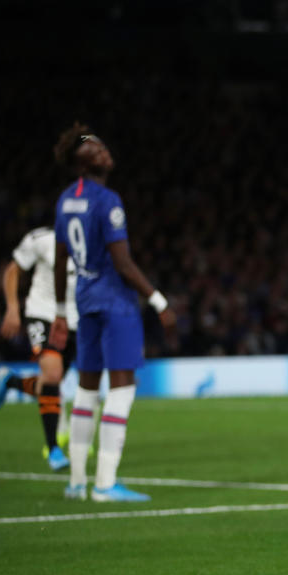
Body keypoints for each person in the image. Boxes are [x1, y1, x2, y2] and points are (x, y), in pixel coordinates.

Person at [48, 124, 176, 501]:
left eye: (102, 145)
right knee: (121, 388)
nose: (103, 150)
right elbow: (122, 264)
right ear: (80, 161)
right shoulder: (107, 201)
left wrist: (59, 311)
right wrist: (158, 300)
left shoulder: (65, 199)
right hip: (116, 303)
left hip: (84, 301)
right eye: (93, 148)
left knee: (87, 389)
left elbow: (59, 263)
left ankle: (76, 482)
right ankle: (105, 483)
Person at [0, 226, 79, 471]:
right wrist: (12, 308)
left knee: (52, 385)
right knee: (52, 376)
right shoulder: (42, 239)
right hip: (42, 315)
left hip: (75, 321)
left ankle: (9, 381)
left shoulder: (93, 244)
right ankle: (53, 449)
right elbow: (13, 269)